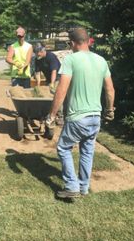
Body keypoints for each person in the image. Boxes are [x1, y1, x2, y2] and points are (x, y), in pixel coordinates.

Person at [45, 27, 115, 199]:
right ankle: (84, 187)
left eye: (70, 43)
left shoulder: (71, 60)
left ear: (73, 43)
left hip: (78, 117)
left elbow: (61, 90)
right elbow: (110, 90)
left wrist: (52, 115)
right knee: (87, 151)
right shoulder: (101, 61)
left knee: (63, 148)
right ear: (88, 41)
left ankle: (71, 186)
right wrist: (110, 110)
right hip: (95, 118)